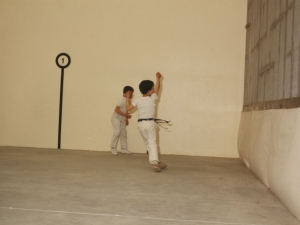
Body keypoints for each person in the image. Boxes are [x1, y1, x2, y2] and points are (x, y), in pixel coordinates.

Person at [125, 72, 167, 172]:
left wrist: (127, 97)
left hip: (140, 124)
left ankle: (154, 161)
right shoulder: (151, 98)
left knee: (147, 143)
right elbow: (158, 88)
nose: (154, 90)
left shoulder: (138, 100)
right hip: (150, 123)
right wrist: (158, 78)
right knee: (152, 142)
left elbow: (128, 108)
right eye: (152, 89)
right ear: (149, 91)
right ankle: (156, 162)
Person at [110, 86, 134, 155]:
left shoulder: (128, 101)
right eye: (129, 92)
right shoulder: (122, 99)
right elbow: (116, 109)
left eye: (131, 93)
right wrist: (125, 115)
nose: (130, 94)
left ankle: (123, 149)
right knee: (117, 131)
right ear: (124, 93)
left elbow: (126, 110)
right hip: (116, 118)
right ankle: (113, 148)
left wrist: (126, 119)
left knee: (123, 133)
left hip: (122, 119)